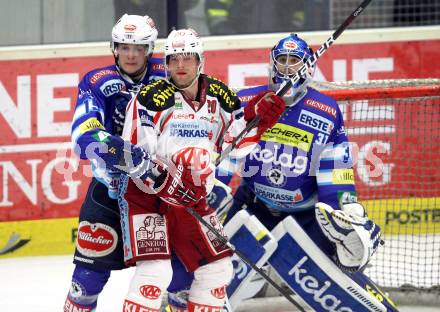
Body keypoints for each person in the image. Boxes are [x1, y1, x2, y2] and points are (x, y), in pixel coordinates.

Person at [168, 33, 399, 311]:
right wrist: (213, 187)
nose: (287, 67)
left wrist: (344, 209)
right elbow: (224, 152)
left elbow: (335, 169)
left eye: (294, 61)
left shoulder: (326, 111)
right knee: (210, 275)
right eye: (282, 60)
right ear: (271, 63)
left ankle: (350, 264)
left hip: (305, 216)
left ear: (307, 66)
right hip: (253, 209)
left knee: (340, 265)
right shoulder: (245, 101)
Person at [115, 28, 285, 311]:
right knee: (155, 272)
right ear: (166, 64)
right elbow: (135, 157)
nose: (180, 65)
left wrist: (257, 119)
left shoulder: (221, 98)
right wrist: (167, 180)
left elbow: (236, 142)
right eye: (174, 59)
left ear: (200, 60)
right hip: (149, 199)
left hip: (193, 198)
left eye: (188, 58)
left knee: (217, 269)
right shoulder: (150, 98)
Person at [64, 14, 164, 312]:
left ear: (150, 48)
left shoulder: (170, 73)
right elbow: (84, 137)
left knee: (165, 280)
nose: (131, 54)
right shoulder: (97, 81)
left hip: (158, 197)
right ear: (114, 47)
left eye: (139, 48)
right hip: (109, 192)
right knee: (85, 283)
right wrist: (130, 157)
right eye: (124, 46)